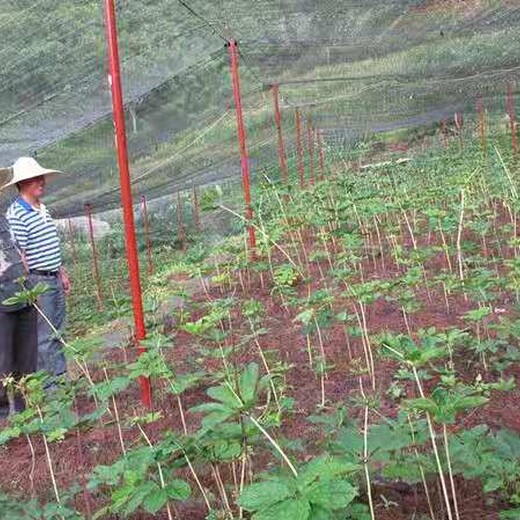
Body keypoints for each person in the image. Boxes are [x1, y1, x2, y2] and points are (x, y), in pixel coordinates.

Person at [2, 157, 71, 386]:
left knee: (58, 330)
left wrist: (61, 273)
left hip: (53, 278)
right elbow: (17, 253)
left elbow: (51, 244)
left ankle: (62, 382)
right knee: (44, 336)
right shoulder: (16, 213)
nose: (41, 181)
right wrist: (29, 286)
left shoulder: (43, 209)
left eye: (41, 177)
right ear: (22, 183)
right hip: (37, 281)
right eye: (35, 179)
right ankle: (50, 390)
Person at [0, 213, 37, 417]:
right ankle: (3, 416)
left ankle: (26, 410)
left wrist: (28, 279)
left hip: (23, 294)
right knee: (2, 362)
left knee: (26, 358)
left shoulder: (4, 217)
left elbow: (19, 252)